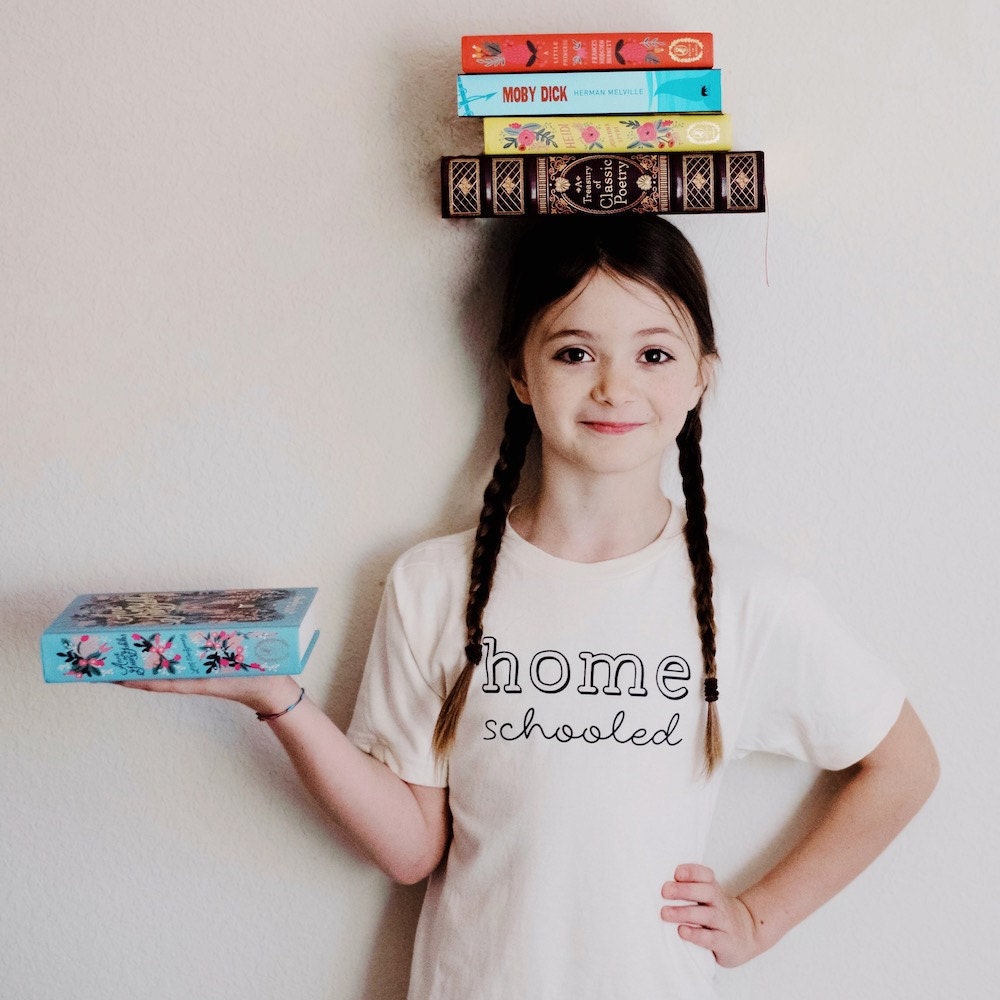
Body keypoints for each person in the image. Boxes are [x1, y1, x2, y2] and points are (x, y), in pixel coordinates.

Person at [124, 215, 939, 999]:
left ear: (701, 377)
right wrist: (277, 699)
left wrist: (761, 917)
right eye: (575, 351)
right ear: (519, 372)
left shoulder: (751, 595)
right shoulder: (433, 583)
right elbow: (412, 850)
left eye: (654, 353)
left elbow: (905, 766)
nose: (615, 385)